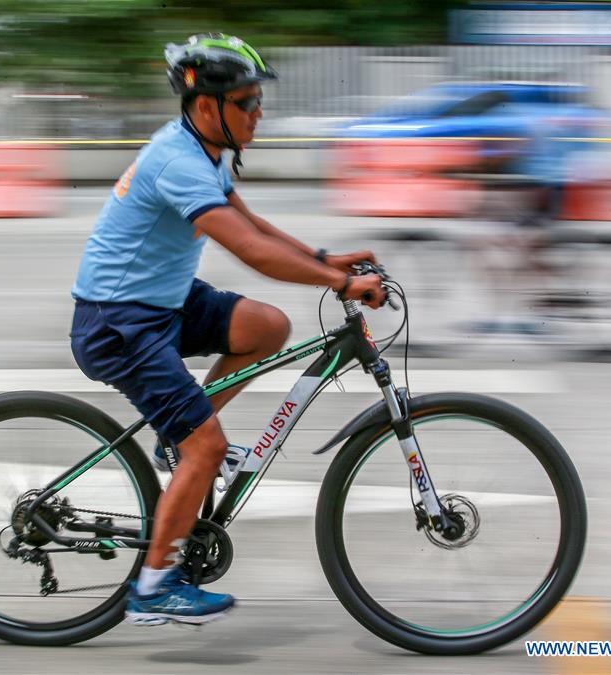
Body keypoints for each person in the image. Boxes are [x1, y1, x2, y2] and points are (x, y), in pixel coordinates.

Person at [70, 33, 385, 627]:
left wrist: (325, 259)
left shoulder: (206, 151)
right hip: (119, 320)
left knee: (267, 327)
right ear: (207, 105)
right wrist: (338, 285)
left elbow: (254, 225)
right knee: (208, 447)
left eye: (258, 101)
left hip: (160, 303)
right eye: (248, 102)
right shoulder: (179, 160)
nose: (259, 113)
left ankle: (177, 437)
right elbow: (247, 251)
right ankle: (154, 588)